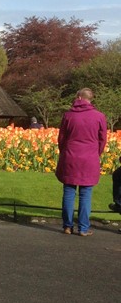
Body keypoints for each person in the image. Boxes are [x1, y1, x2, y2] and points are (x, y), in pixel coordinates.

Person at [55, 88, 107, 236]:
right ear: (91, 99)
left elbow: (62, 139)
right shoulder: (99, 116)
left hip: (71, 156)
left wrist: (65, 152)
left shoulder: (68, 115)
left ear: (78, 97)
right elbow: (102, 140)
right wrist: (96, 153)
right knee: (85, 193)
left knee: (69, 192)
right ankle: (83, 228)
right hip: (89, 158)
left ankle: (67, 226)